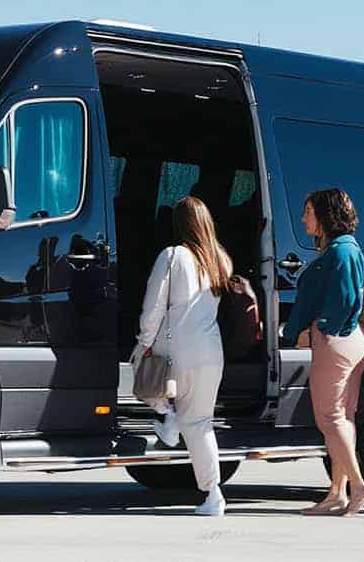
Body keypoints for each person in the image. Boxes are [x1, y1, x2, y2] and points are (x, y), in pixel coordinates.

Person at [136, 196, 232, 516]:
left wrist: (144, 342)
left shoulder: (172, 256)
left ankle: (168, 415)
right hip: (212, 351)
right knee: (202, 422)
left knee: (143, 371)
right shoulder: (220, 260)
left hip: (178, 348)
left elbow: (153, 307)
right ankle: (211, 491)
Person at [282, 189, 364, 515]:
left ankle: (359, 486)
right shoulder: (345, 249)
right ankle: (337, 493)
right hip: (350, 342)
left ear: (325, 215)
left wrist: (319, 328)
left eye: (308, 211)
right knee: (342, 419)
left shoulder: (340, 252)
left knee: (330, 418)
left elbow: (346, 300)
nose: (303, 217)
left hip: (336, 342)